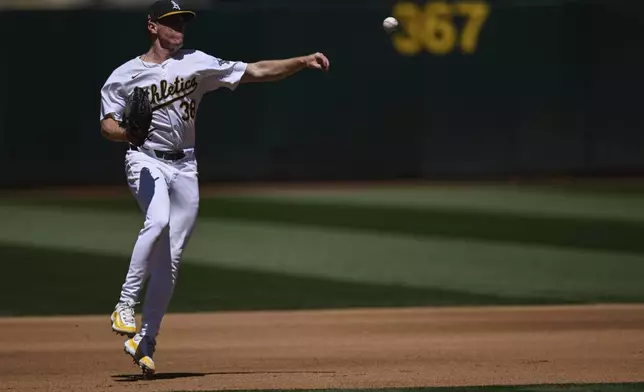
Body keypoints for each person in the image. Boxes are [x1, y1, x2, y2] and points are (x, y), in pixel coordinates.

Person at [99, 0, 330, 377]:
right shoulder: (124, 75)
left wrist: (300, 61)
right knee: (157, 222)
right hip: (144, 158)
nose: (179, 29)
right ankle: (124, 305)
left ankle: (146, 339)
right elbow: (107, 126)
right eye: (171, 23)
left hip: (185, 165)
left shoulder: (196, 62)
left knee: (171, 259)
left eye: (183, 23)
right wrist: (128, 133)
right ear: (152, 26)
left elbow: (255, 71)